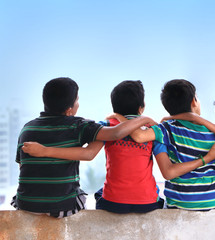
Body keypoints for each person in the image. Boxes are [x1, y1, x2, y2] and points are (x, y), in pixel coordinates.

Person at [22, 80, 215, 213]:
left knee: (100, 194)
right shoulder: (153, 130)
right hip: (150, 203)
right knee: (155, 194)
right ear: (141, 107)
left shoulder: (109, 127)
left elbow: (97, 148)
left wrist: (118, 117)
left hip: (112, 203)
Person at [13, 77, 157, 218]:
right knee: (84, 196)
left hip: (26, 204)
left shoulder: (27, 128)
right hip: (62, 207)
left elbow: (22, 165)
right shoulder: (78, 125)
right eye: (77, 100)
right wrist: (144, 119)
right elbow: (114, 134)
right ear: (70, 110)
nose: (78, 103)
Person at [113, 79, 215, 211]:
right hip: (212, 202)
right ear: (194, 101)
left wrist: (119, 117)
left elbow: (138, 136)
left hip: (179, 204)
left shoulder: (166, 129)